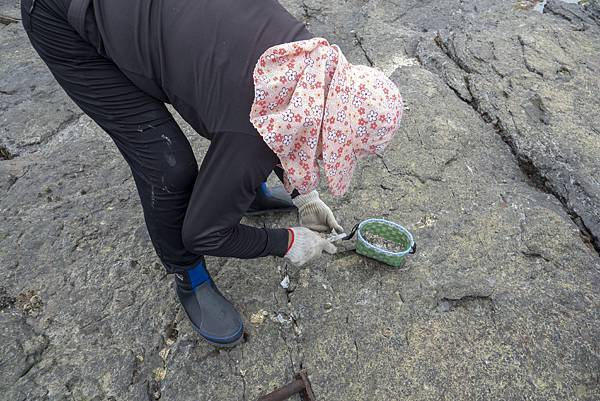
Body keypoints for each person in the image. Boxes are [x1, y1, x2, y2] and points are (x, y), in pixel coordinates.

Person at [21, 0, 403, 347]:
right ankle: (187, 271)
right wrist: (286, 243)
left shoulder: (309, 54)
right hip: (63, 19)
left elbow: (287, 120)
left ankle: (246, 193)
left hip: (143, 17)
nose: (325, 154)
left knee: (240, 150)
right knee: (168, 166)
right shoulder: (249, 135)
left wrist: (303, 193)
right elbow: (204, 232)